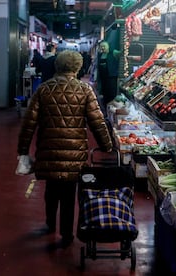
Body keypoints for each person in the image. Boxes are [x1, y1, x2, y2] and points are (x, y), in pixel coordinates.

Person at [16, 50, 113, 248]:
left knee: (51, 190)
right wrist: (106, 145)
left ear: (57, 66)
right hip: (74, 153)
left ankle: (50, 223)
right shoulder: (85, 90)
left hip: (48, 150)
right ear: (77, 68)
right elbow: (98, 121)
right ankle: (66, 234)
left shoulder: (43, 89)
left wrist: (23, 150)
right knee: (69, 194)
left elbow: (29, 124)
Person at [95, 41, 121, 111]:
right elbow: (97, 67)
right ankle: (105, 109)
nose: (103, 48)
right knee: (104, 94)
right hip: (103, 78)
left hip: (111, 78)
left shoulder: (113, 52)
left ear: (108, 47)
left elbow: (122, 53)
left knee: (111, 94)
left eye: (104, 46)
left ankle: (111, 109)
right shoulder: (100, 55)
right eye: (101, 46)